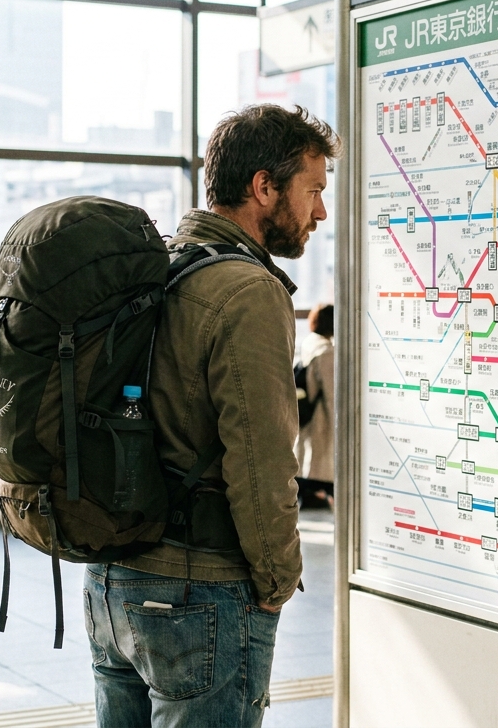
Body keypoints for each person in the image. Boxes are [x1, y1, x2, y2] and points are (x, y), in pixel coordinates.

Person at [84, 104, 338, 728]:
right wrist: (277, 584)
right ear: (263, 187)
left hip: (111, 580)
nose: (320, 213)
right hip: (198, 591)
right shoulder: (247, 291)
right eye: (313, 191)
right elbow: (262, 460)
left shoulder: (157, 267)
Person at [294, 303, 334, 508]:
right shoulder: (327, 351)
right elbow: (331, 393)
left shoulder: (310, 342)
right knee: (319, 458)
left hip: (305, 409)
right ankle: (316, 494)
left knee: (307, 453)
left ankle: (309, 493)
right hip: (320, 414)